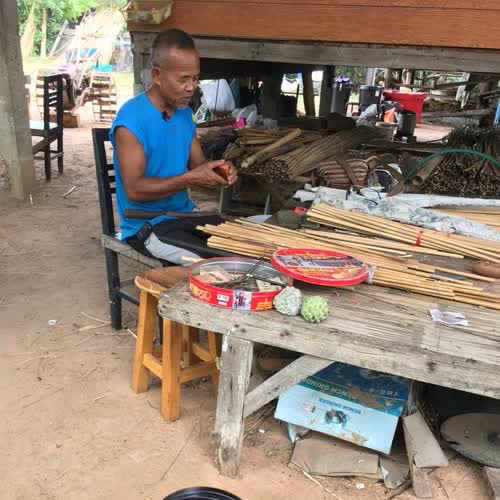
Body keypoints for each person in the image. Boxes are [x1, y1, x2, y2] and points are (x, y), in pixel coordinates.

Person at [109, 29, 237, 264]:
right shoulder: (131, 120)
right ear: (157, 75)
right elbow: (135, 190)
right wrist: (190, 178)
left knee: (241, 246)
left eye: (195, 79)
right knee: (216, 266)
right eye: (183, 79)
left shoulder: (184, 114)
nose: (191, 87)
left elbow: (198, 165)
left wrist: (219, 170)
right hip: (146, 226)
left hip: (184, 215)